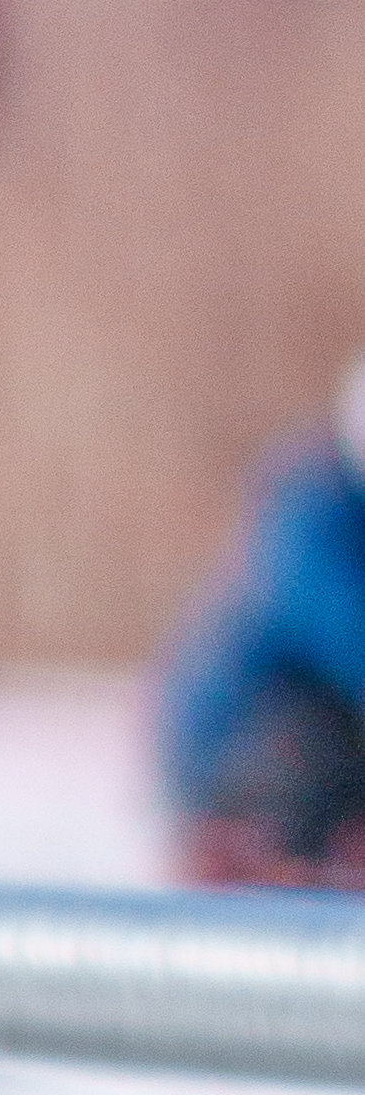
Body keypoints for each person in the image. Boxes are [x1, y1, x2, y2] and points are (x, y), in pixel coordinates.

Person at [159, 362, 365, 877]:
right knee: (316, 738)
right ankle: (262, 853)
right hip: (233, 744)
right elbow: (345, 633)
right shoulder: (313, 514)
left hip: (303, 736)